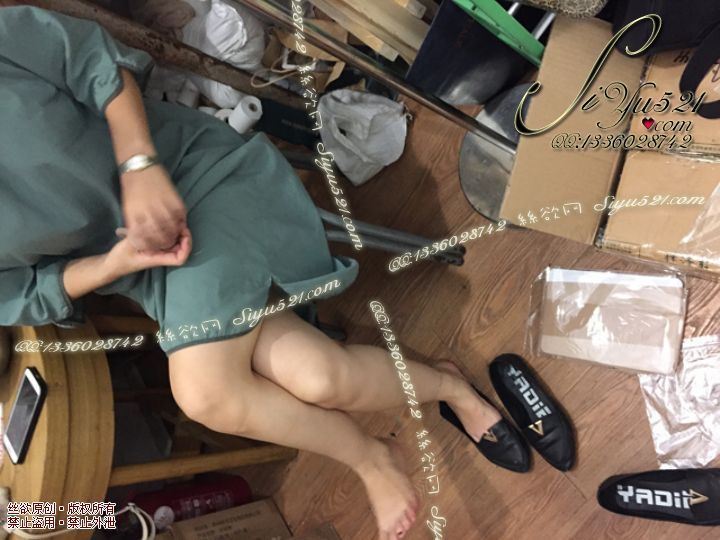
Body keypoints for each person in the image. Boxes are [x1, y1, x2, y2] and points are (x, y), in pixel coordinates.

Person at [0, 6, 526, 539]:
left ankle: (370, 457)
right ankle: (448, 385)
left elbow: (95, 64)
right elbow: (28, 293)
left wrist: (139, 167)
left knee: (205, 393)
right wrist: (113, 264)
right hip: (156, 269)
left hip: (189, 170)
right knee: (320, 377)